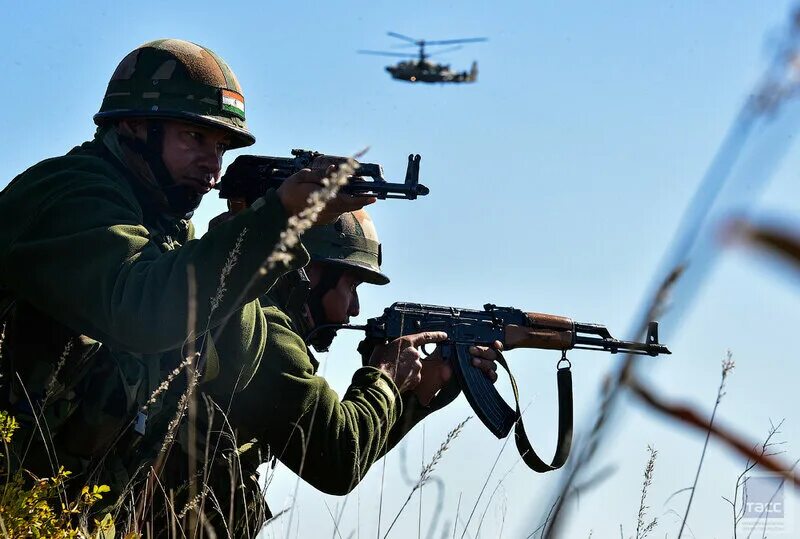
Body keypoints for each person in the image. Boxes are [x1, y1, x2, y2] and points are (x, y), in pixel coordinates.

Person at [0, 38, 372, 508]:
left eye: (220, 147)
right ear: (135, 126)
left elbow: (240, 367)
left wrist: (250, 228)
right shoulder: (68, 194)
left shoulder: (167, 228)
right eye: (193, 137)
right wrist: (276, 220)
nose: (212, 164)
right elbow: (145, 311)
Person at [157, 210, 500, 535]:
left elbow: (343, 445)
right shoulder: (265, 332)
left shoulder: (253, 316)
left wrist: (415, 392)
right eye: (351, 287)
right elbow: (336, 459)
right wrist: (383, 378)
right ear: (311, 275)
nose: (354, 310)